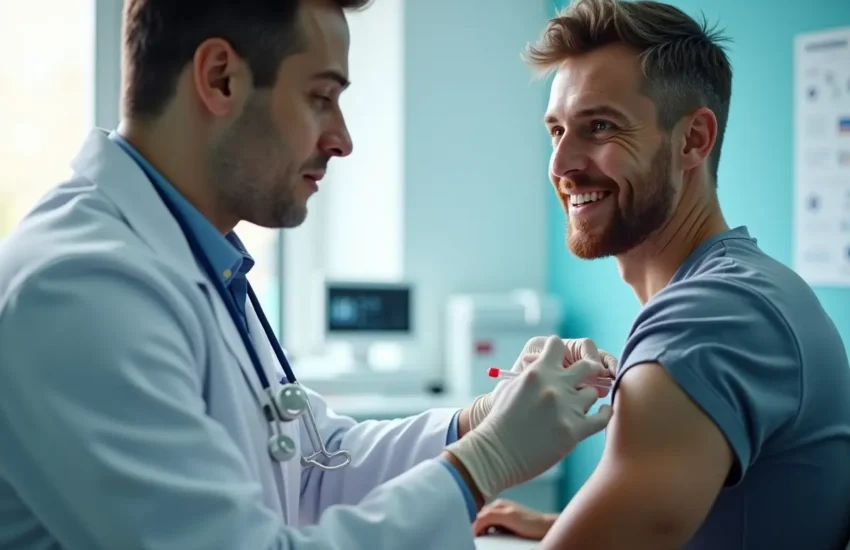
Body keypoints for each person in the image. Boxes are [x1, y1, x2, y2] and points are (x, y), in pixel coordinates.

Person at [0, 1, 617, 549]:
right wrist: (483, 463)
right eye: (321, 97)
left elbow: (312, 466)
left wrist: (479, 420)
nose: (342, 140)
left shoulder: (199, 257)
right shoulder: (81, 290)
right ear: (221, 79)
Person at [473, 0, 850, 548]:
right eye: (557, 131)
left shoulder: (715, 316)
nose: (560, 165)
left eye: (599, 126)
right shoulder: (742, 288)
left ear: (693, 139)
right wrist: (562, 525)